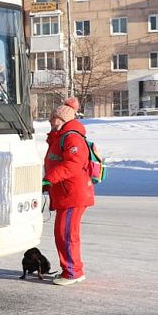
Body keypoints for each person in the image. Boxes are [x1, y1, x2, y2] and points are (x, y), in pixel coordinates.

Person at [42, 97, 94, 286]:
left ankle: (73, 272)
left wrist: (49, 178)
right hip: (66, 194)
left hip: (73, 194)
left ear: (63, 119)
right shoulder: (59, 136)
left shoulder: (72, 137)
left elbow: (73, 164)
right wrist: (47, 184)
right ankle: (72, 270)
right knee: (63, 234)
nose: (50, 119)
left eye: (54, 117)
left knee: (66, 235)